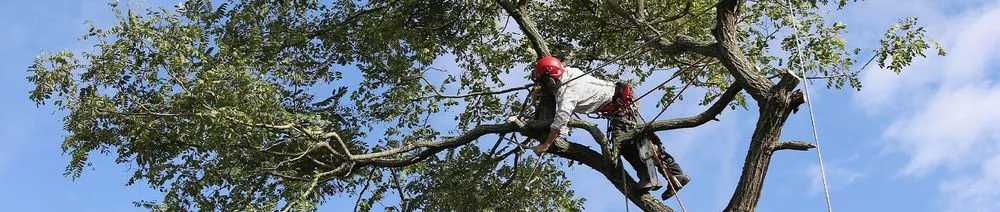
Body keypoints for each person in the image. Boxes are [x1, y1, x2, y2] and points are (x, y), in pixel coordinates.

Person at [530, 56, 690, 200]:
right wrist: (542, 89)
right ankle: (668, 175)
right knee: (635, 143)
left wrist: (547, 144)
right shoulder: (569, 73)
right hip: (619, 104)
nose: (544, 86)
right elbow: (556, 85)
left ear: (551, 79)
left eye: (545, 82)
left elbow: (561, 119)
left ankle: (658, 176)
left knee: (628, 144)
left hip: (621, 105)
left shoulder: (568, 93)